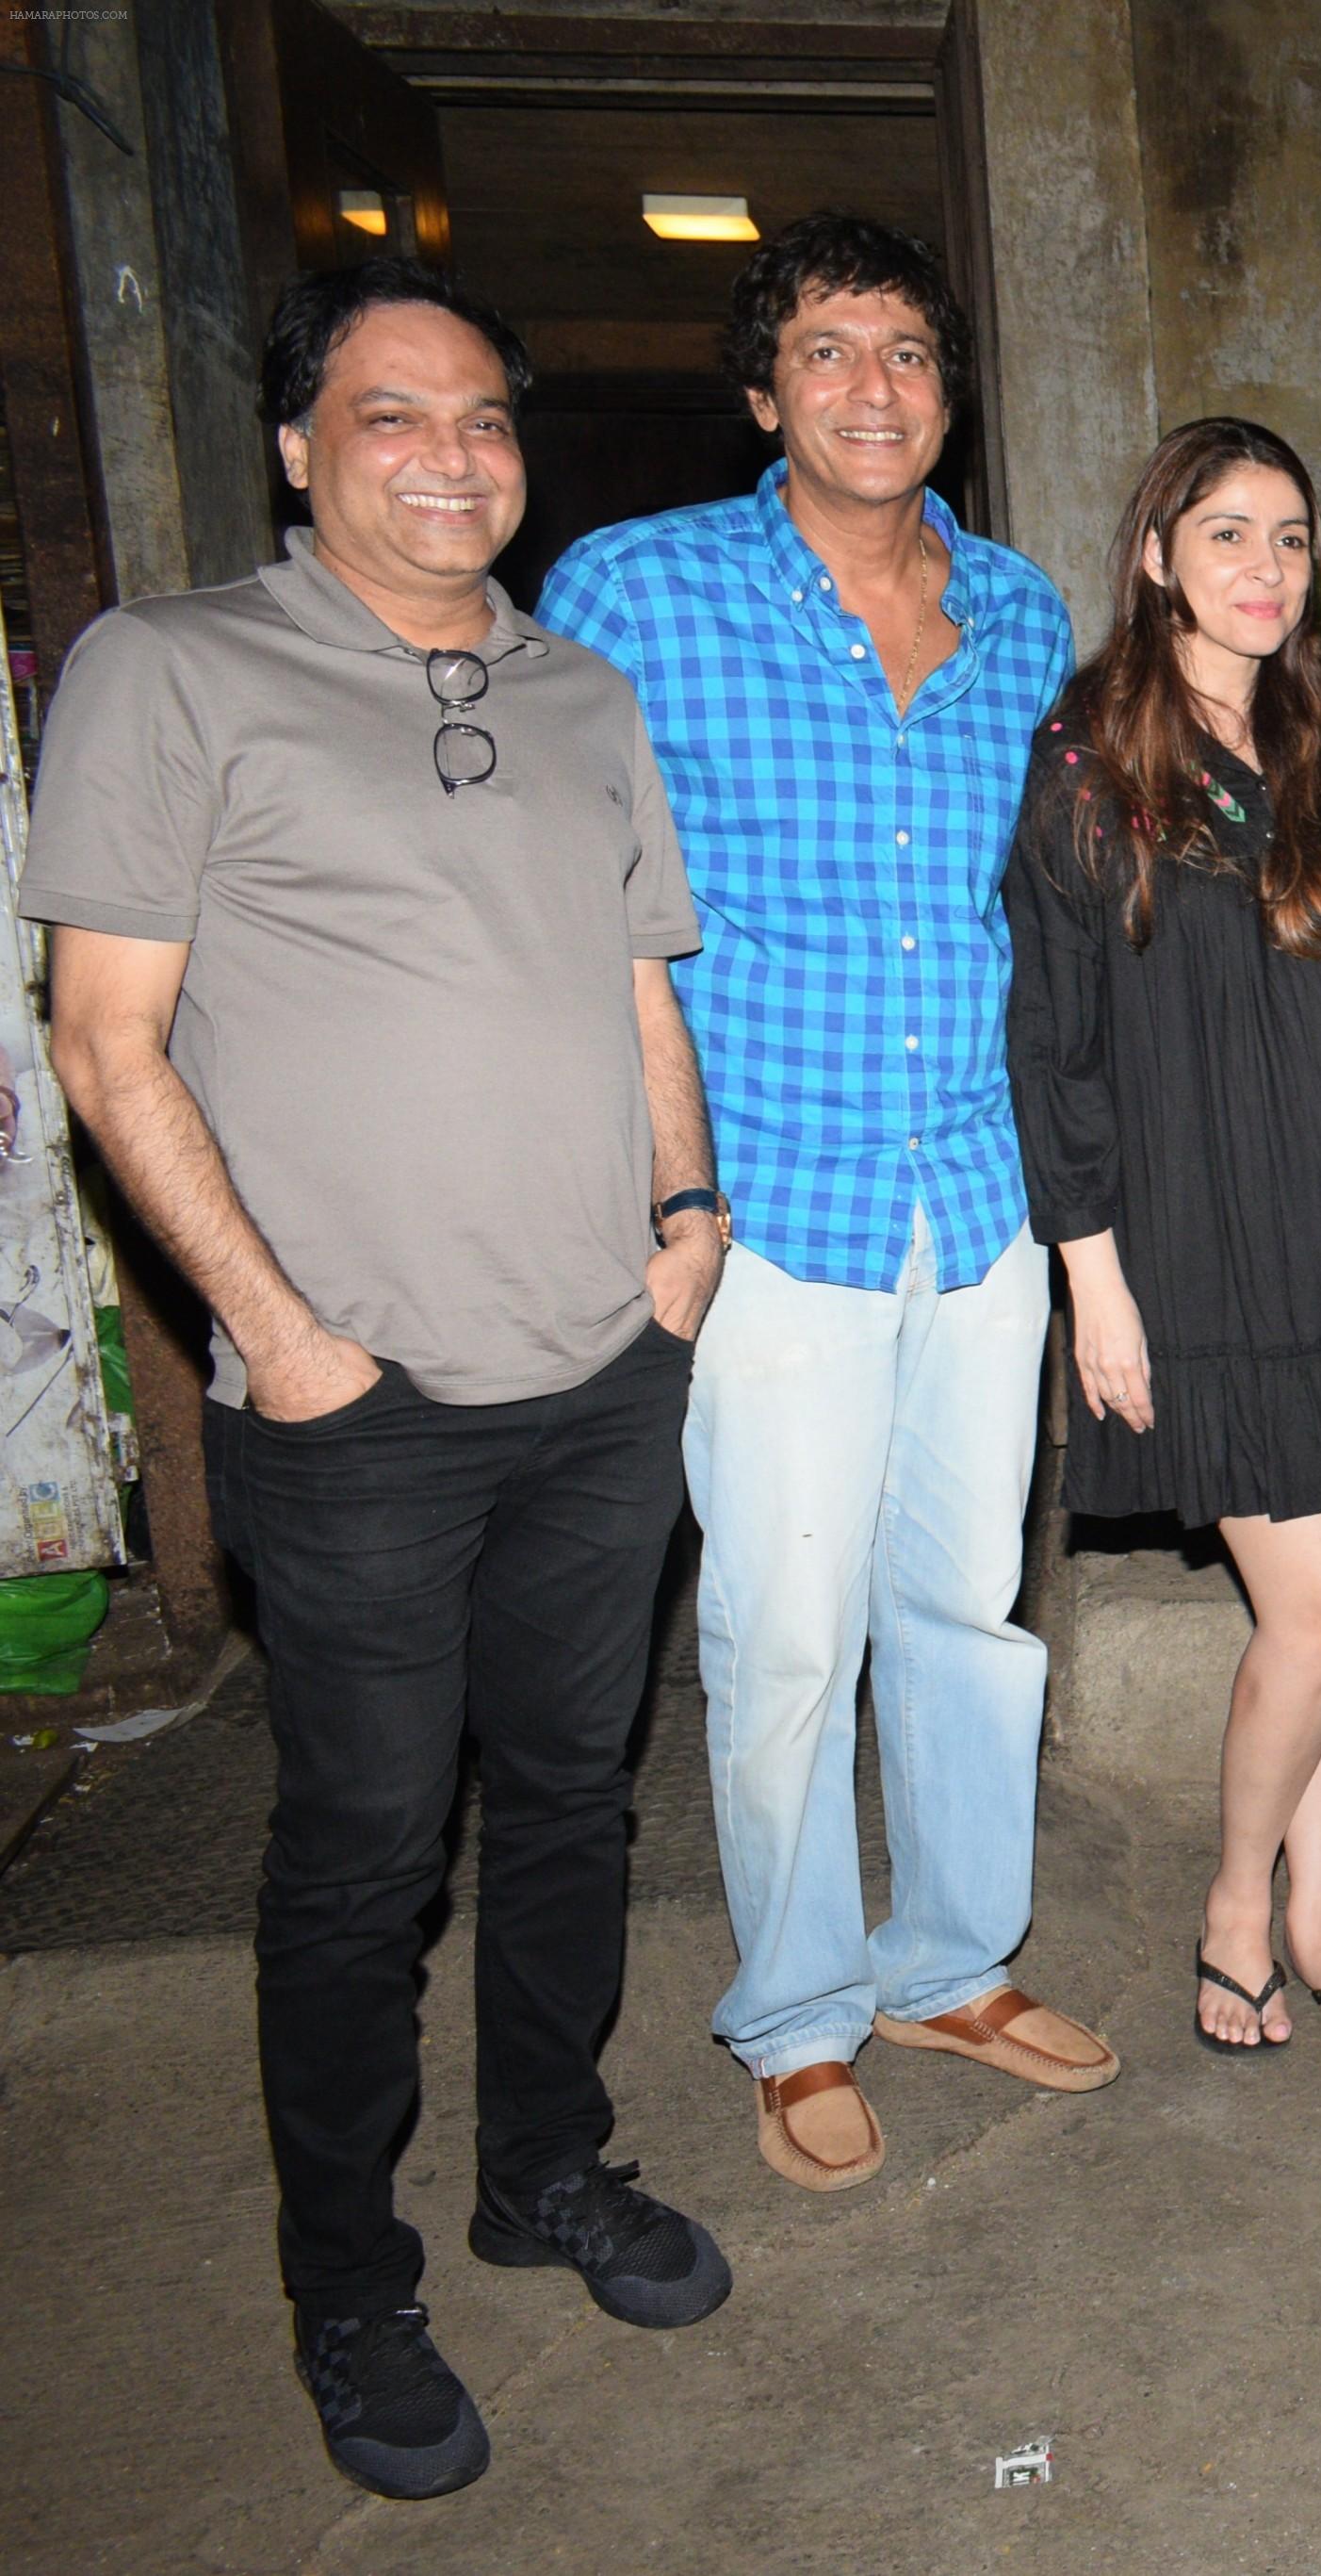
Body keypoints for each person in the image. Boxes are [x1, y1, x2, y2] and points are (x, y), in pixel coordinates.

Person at [24, 261, 728, 2500]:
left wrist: (686, 1230)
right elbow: (103, 1042)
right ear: (299, 446)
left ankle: (545, 2167)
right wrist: (288, 1336)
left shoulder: (584, 690)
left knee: (575, 1804)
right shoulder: (170, 669)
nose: (453, 455)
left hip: (601, 1364)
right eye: (392, 414)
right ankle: (350, 2278)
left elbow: (638, 995)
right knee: (351, 1856)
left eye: (485, 419)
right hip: (357, 1407)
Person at [541, 212, 1110, 2193]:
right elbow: (566, 904)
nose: (876, 389)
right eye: (831, 351)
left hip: (974, 1199)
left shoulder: (1023, 610)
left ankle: (950, 1957)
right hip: (767, 1203)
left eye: (909, 355)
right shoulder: (636, 589)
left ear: (949, 393)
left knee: (966, 1612)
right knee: (780, 1630)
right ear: (765, 385)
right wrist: (644, 1183)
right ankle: (794, 2013)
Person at [1003, 417, 1321, 2055]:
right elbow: (1052, 1045)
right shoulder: (1087, 760)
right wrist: (1094, 1279)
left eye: (1288, 536)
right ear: (1156, 556)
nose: (1264, 568)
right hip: (1193, 1246)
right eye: (1227, 535)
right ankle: (1237, 1902)